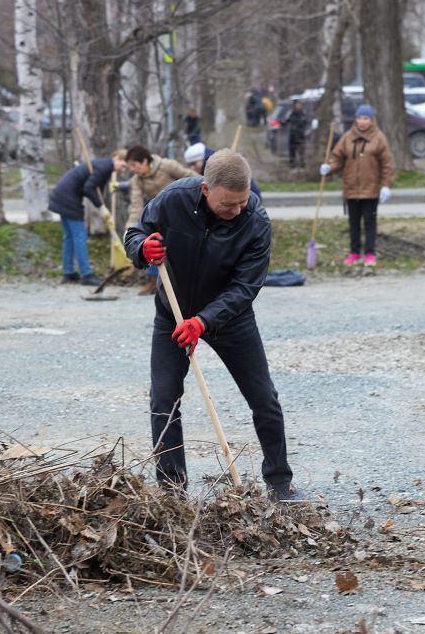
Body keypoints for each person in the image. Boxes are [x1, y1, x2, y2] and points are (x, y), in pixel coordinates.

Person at [123, 149, 304, 502]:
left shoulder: (255, 221)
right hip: (173, 316)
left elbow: (245, 287)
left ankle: (280, 484)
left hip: (229, 319)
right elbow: (136, 231)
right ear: (206, 189)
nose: (237, 211)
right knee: (164, 398)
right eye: (228, 205)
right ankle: (172, 490)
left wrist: (204, 321)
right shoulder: (174, 199)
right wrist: (143, 248)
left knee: (264, 398)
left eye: (243, 201)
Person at [320, 104, 395, 268]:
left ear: (371, 120)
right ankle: (354, 252)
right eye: (360, 118)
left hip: (371, 190)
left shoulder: (379, 138)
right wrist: (330, 167)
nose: (362, 122)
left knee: (369, 222)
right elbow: (337, 157)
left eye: (366, 118)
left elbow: (387, 163)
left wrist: (387, 185)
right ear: (356, 119)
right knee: (353, 223)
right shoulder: (347, 137)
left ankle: (369, 253)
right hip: (351, 188)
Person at [48, 151, 126, 286]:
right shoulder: (105, 167)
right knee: (79, 236)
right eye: (123, 165)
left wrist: (102, 202)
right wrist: (100, 207)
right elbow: (89, 188)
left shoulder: (104, 167)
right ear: (117, 158)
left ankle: (68, 273)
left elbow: (96, 187)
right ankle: (86, 274)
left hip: (60, 195)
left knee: (70, 237)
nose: (123, 169)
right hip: (68, 199)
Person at [126, 145, 195, 295]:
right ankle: (154, 283)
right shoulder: (136, 181)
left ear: (144, 161)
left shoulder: (167, 165)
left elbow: (191, 177)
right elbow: (136, 205)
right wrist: (130, 229)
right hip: (160, 217)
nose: (133, 169)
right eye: (130, 166)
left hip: (183, 212)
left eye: (134, 165)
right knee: (152, 244)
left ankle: (186, 282)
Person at [184, 142, 261, 195]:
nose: (192, 167)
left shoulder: (216, 167)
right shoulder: (209, 164)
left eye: (194, 163)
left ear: (201, 158)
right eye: (190, 164)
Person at [283, 99, 309, 167]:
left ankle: (302, 165)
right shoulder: (291, 113)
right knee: (292, 152)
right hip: (293, 135)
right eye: (297, 104)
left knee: (301, 152)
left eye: (300, 104)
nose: (299, 106)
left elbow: (306, 123)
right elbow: (286, 122)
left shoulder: (303, 113)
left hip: (301, 135)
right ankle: (292, 165)